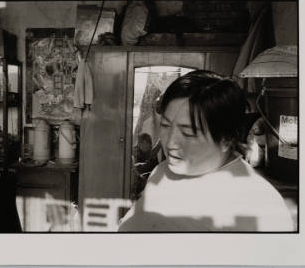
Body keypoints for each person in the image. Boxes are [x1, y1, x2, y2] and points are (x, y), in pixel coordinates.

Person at [118, 70, 294, 232]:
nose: (170, 142)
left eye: (188, 132)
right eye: (165, 125)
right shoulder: (162, 170)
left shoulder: (260, 208)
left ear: (226, 139)